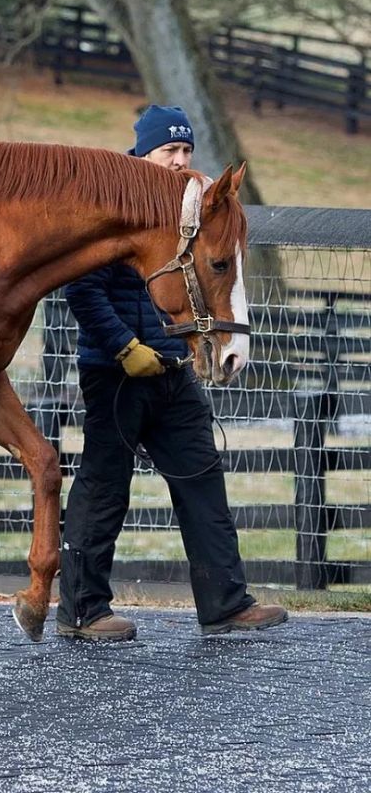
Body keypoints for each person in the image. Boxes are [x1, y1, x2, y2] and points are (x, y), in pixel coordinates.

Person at [56, 105, 288, 640]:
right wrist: (123, 348)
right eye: (169, 151)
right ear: (143, 153)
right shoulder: (111, 205)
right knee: (105, 484)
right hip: (114, 371)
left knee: (202, 475)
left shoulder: (191, 214)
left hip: (172, 368)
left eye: (186, 151)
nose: (180, 160)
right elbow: (82, 292)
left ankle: (226, 603)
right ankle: (82, 612)